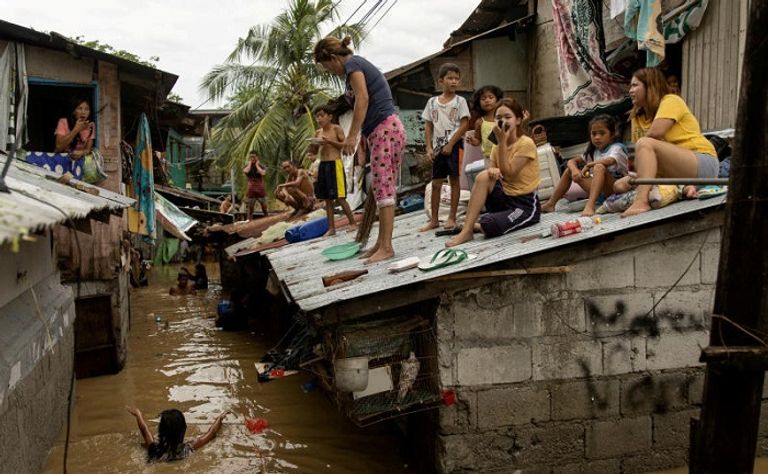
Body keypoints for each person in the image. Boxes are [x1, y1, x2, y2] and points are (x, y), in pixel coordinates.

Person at [314, 36, 406, 263]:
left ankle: (387, 246)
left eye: (327, 66)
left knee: (384, 188)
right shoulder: (352, 70)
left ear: (334, 58)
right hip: (380, 130)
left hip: (386, 128)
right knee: (380, 187)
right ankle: (380, 243)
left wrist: (352, 136)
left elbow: (362, 99)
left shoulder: (353, 65)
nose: (330, 71)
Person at [622, 67, 718, 216]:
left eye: (635, 85)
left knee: (645, 143)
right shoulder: (637, 117)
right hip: (673, 172)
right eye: (630, 86)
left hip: (701, 162)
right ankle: (684, 188)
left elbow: (655, 133)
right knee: (620, 184)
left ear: (650, 85)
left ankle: (641, 202)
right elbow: (639, 157)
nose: (630, 90)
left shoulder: (671, 100)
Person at [446, 98, 541, 247]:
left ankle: (479, 226)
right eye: (498, 118)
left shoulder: (525, 143)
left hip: (524, 205)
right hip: (504, 197)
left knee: (489, 224)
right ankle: (467, 230)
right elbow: (492, 168)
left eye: (507, 117)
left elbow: (509, 173)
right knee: (483, 176)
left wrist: (502, 143)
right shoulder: (497, 145)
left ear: (518, 120)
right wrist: (493, 168)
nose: (502, 121)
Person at [541, 114, 629, 216]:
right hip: (600, 194)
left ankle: (590, 205)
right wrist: (574, 170)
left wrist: (589, 165)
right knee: (569, 170)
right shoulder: (594, 152)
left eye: (602, 133)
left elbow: (609, 161)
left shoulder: (617, 148)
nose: (597, 137)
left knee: (599, 167)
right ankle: (550, 204)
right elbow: (571, 161)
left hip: (616, 191)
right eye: (594, 134)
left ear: (612, 134)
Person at [419, 63, 470, 233]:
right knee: (435, 183)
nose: (454, 81)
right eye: (450, 78)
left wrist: (451, 144)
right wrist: (428, 148)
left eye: (456, 78)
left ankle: (452, 218)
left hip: (453, 147)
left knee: (454, 180)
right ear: (441, 81)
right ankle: (434, 220)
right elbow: (428, 126)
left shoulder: (460, 101)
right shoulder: (432, 102)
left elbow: (464, 125)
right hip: (438, 148)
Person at [126, 407, 230, 463]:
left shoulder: (154, 448)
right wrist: (220, 418)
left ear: (161, 431)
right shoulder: (188, 448)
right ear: (184, 429)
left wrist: (138, 414)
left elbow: (144, 429)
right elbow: (211, 432)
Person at [314, 104, 358, 236]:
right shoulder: (318, 132)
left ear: (329, 116)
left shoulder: (336, 129)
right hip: (323, 165)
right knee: (327, 199)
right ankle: (331, 228)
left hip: (335, 164)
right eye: (317, 117)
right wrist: (313, 146)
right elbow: (314, 150)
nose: (319, 119)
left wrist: (329, 142)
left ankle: (353, 223)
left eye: (322, 116)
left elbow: (343, 145)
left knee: (340, 197)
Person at [466, 85, 504, 164]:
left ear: (498, 100)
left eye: (490, 97)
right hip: (488, 158)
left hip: (504, 155)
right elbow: (478, 140)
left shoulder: (503, 119)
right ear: (478, 103)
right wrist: (473, 141)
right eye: (483, 99)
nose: (487, 100)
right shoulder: (480, 122)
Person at [243, 151, 268, 219]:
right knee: (250, 207)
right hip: (251, 187)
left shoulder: (261, 165)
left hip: (260, 186)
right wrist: (250, 164)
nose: (252, 158)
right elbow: (246, 171)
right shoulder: (247, 165)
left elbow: (263, 173)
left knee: (264, 205)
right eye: (251, 157)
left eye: (254, 157)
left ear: (257, 157)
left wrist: (257, 165)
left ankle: (266, 217)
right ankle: (249, 220)